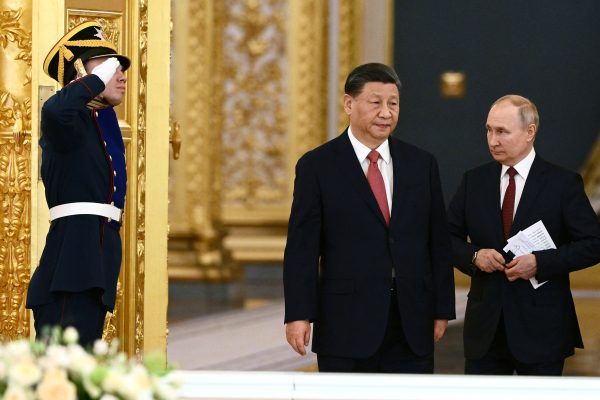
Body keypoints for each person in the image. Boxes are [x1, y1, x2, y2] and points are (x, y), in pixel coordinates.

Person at [283, 63, 455, 373]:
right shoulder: (317, 166)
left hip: (411, 321)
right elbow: (302, 247)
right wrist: (298, 314)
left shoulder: (421, 164)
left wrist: (442, 308)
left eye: (393, 103)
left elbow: (437, 242)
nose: (386, 112)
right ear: (349, 104)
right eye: (376, 103)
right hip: (345, 322)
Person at [447, 94, 600, 375]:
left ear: (530, 132)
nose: (492, 140)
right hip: (485, 332)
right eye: (489, 130)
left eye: (502, 131)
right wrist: (475, 255)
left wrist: (541, 263)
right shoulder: (474, 181)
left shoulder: (563, 184)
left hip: (543, 329)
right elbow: (445, 238)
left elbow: (593, 244)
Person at [26, 21, 130, 347]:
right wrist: (94, 81)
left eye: (120, 68)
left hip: (94, 263)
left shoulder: (102, 120)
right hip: (69, 268)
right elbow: (56, 110)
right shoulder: (66, 121)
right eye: (108, 67)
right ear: (80, 76)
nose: (120, 75)